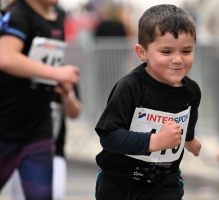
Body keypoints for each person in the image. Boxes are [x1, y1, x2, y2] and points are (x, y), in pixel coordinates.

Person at [94, 4, 202, 200]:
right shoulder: (130, 87)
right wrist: (156, 141)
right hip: (119, 183)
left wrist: (190, 140)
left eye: (186, 51)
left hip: (164, 183)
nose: (177, 59)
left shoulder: (192, 91)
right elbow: (108, 136)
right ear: (142, 52)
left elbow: (187, 120)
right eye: (166, 52)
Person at [0, 0, 79, 199]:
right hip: (5, 128)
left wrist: (64, 89)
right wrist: (55, 73)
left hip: (38, 130)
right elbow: (5, 57)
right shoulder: (19, 14)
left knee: (42, 195)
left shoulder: (58, 15)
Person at [10, 85, 81, 200]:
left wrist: (68, 96)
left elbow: (75, 113)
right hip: (21, 147)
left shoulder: (62, 74)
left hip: (53, 150)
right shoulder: (21, 74)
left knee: (55, 195)